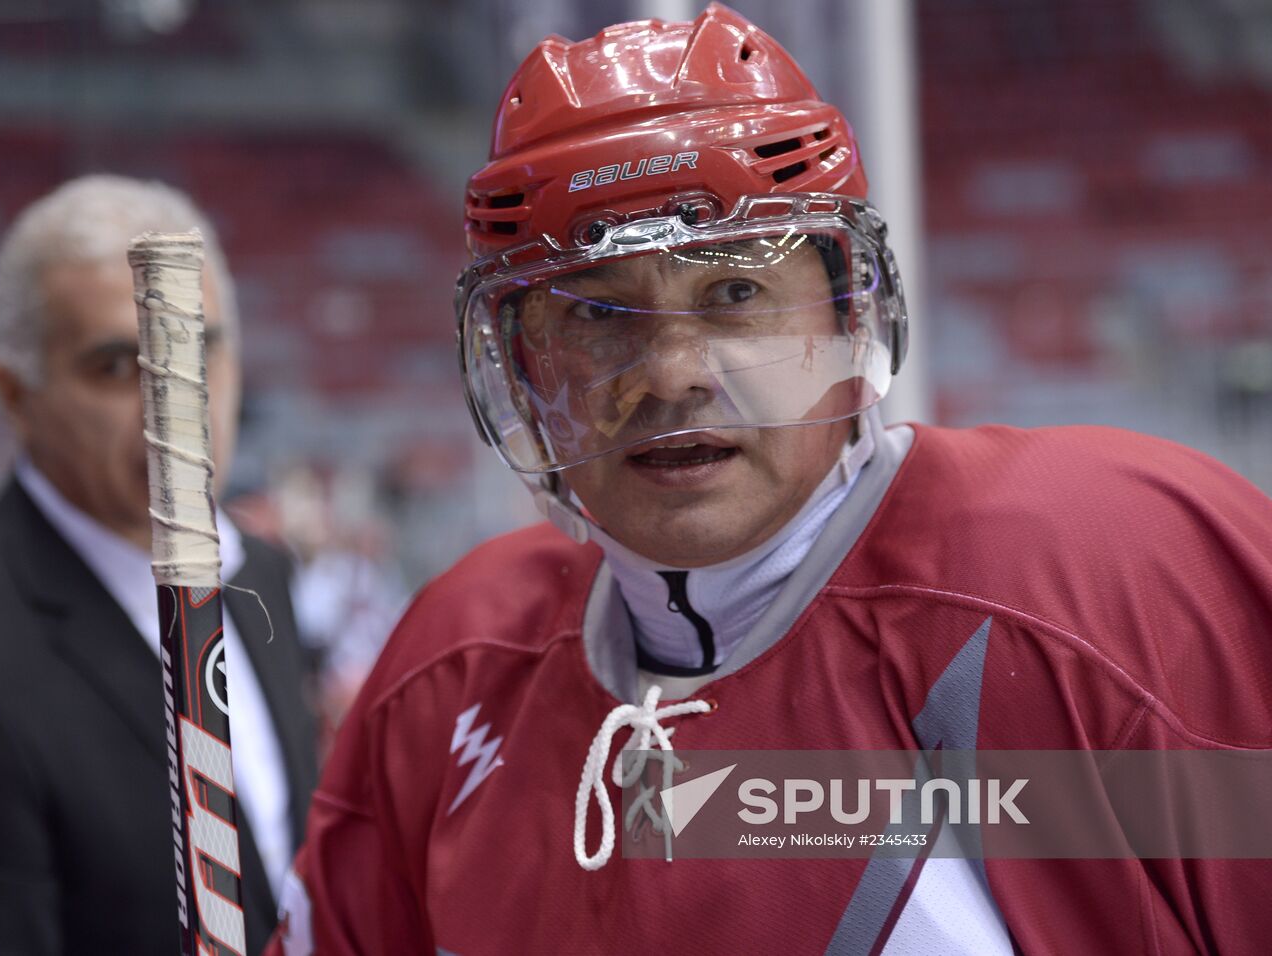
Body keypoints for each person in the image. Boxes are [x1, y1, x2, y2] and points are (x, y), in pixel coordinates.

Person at [271, 6, 1272, 954]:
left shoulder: (1105, 577)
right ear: (521, 369)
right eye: (594, 315)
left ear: (846, 312)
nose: (669, 375)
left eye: (734, 291)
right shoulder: (450, 672)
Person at [0, 175, 318, 955]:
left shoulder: (263, 574)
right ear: (16, 395)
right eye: (117, 366)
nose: (173, 397)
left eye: (197, 345)